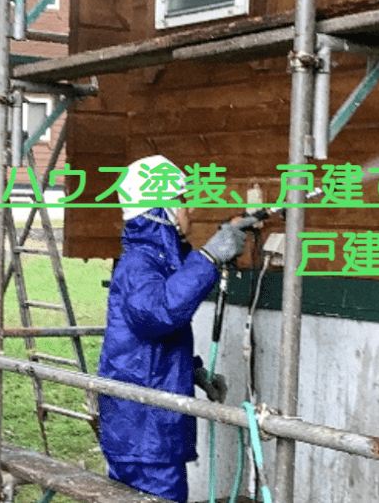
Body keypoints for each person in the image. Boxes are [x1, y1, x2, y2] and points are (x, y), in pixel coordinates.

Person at [97, 155, 246, 502]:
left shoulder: (155, 261)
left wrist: (193, 372)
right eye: (180, 199)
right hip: (144, 431)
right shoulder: (139, 264)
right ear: (160, 210)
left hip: (141, 426)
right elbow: (158, 315)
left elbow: (142, 346)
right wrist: (208, 258)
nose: (188, 209)